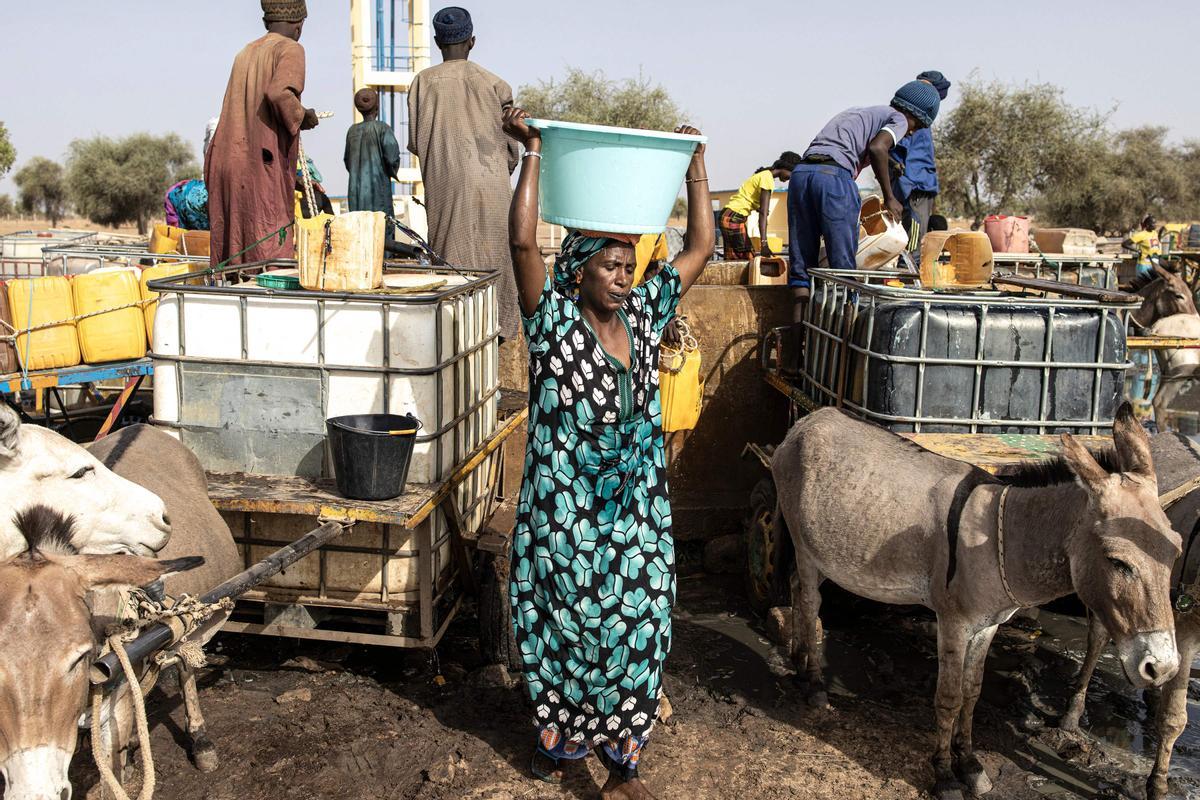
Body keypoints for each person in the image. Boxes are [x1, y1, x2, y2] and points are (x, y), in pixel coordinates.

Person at [503, 104, 714, 800]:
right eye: (611, 265)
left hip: (635, 515)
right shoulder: (555, 324)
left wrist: (697, 170)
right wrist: (534, 153)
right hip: (564, 513)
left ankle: (623, 758)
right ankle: (563, 748)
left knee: (642, 624)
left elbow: (701, 249)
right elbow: (524, 247)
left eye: (629, 265)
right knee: (563, 622)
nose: (624, 276)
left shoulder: (646, 316)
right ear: (582, 270)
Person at [408, 7, 521, 340]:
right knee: (496, 264)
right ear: (472, 41)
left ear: (436, 42)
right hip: (495, 189)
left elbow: (417, 143)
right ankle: (494, 343)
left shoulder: (421, 84)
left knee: (452, 272)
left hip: (446, 191)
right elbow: (511, 149)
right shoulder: (496, 84)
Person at [787, 81, 941, 319]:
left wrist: (891, 163)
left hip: (802, 175)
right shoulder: (899, 119)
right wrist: (890, 198)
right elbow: (878, 147)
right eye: (916, 126)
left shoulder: (861, 112)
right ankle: (841, 343)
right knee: (843, 271)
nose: (910, 132)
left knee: (801, 271)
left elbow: (861, 147)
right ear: (913, 115)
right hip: (834, 179)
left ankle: (795, 349)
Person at [205, 0, 319, 268]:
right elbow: (279, 93)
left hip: (226, 158)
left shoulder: (245, 52)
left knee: (235, 237)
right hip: (260, 163)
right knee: (269, 236)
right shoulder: (290, 48)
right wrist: (303, 116)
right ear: (299, 24)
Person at [890, 70, 951, 256]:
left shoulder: (916, 116)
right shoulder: (915, 117)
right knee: (913, 241)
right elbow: (899, 149)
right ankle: (908, 276)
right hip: (915, 185)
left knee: (912, 233)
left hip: (917, 184)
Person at [345, 88, 407, 253]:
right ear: (377, 107)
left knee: (359, 236)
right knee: (382, 235)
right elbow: (392, 157)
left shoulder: (352, 131)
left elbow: (347, 162)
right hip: (378, 192)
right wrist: (391, 171)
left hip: (356, 195)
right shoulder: (382, 128)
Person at [719, 152, 801, 260]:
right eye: (791, 175)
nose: (789, 179)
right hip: (734, 218)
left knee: (732, 258)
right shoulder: (767, 179)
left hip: (728, 215)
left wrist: (760, 208)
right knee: (747, 258)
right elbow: (763, 213)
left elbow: (752, 200)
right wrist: (764, 244)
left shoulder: (763, 174)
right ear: (786, 168)